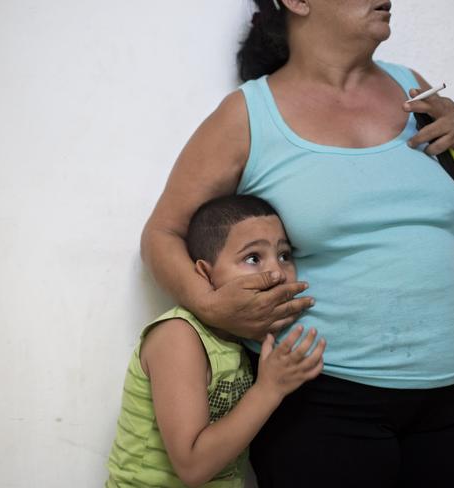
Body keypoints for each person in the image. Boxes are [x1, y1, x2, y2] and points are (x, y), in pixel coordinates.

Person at [141, 1, 454, 486]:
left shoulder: (414, 88)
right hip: (322, 397)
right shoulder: (249, 114)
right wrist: (213, 305)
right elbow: (162, 233)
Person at [106, 195, 325, 488]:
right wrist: (270, 388)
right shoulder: (179, 335)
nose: (276, 273)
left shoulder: (242, 341)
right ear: (206, 274)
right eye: (253, 258)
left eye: (284, 255)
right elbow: (192, 467)